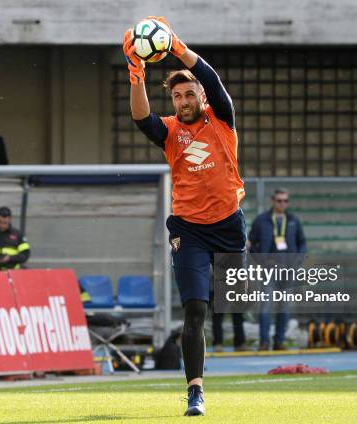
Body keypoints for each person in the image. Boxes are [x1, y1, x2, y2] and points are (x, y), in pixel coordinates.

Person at [124, 16, 246, 416]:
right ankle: (195, 391)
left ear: (202, 97)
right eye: (177, 97)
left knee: (234, 301)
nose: (183, 101)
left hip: (228, 224)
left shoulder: (221, 119)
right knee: (195, 311)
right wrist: (136, 73)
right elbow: (142, 118)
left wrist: (177, 47)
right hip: (188, 228)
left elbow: (210, 76)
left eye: (189, 94)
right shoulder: (171, 131)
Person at [248, 188, 307, 351]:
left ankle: (279, 341)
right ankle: (264, 342)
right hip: (269, 271)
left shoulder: (293, 220)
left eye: (285, 201)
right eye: (279, 200)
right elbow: (251, 244)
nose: (282, 204)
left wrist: (298, 260)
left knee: (284, 306)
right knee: (266, 305)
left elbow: (302, 242)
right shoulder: (261, 220)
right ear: (273, 201)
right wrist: (262, 261)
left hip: (288, 270)